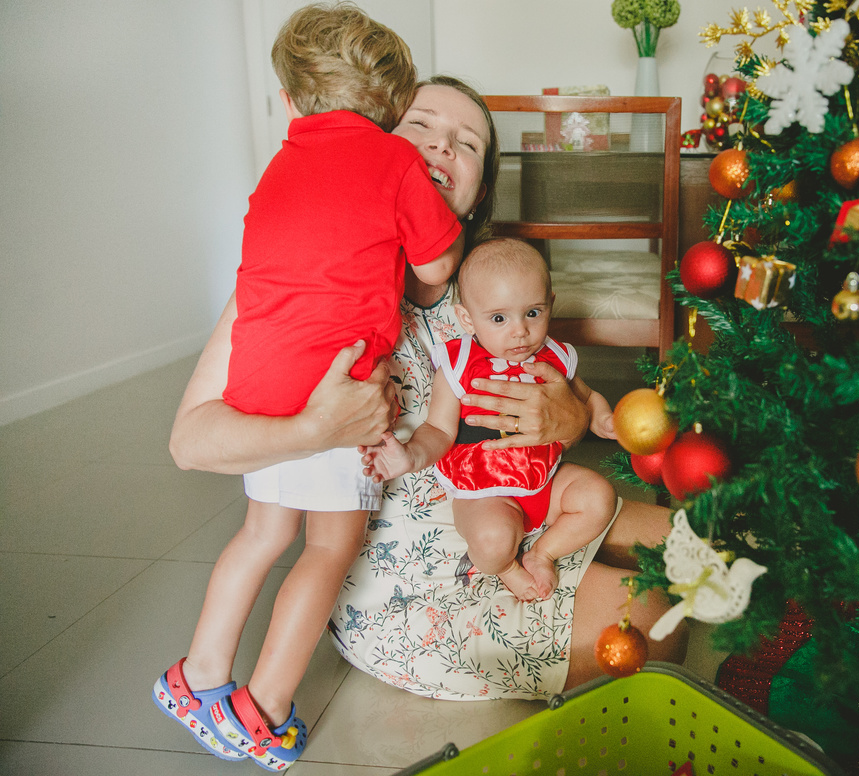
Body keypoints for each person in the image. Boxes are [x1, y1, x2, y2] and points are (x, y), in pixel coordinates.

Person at [168, 77, 688, 711]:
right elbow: (190, 443)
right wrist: (311, 427)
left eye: (466, 143)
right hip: (417, 584)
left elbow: (558, 393)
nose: (442, 148)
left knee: (693, 543)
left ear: (476, 194)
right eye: (421, 126)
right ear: (374, 148)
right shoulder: (303, 278)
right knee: (656, 621)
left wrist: (573, 416)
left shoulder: (493, 292)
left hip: (524, 507)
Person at [153, 4, 462, 771]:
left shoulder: (278, 165)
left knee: (262, 535)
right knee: (329, 547)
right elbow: (435, 271)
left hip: (259, 388)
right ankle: (267, 707)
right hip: (339, 389)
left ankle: (195, 678)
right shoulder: (395, 163)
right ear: (392, 109)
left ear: (291, 99)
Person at [360, 238, 618, 602]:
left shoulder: (556, 356)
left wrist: (604, 420)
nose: (519, 330)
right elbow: (438, 429)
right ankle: (508, 568)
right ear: (467, 318)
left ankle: (542, 551)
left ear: (551, 306)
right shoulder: (459, 362)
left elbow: (587, 399)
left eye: (533, 313)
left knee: (598, 497)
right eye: (499, 318)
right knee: (491, 540)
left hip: (546, 481)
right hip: (484, 494)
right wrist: (411, 456)